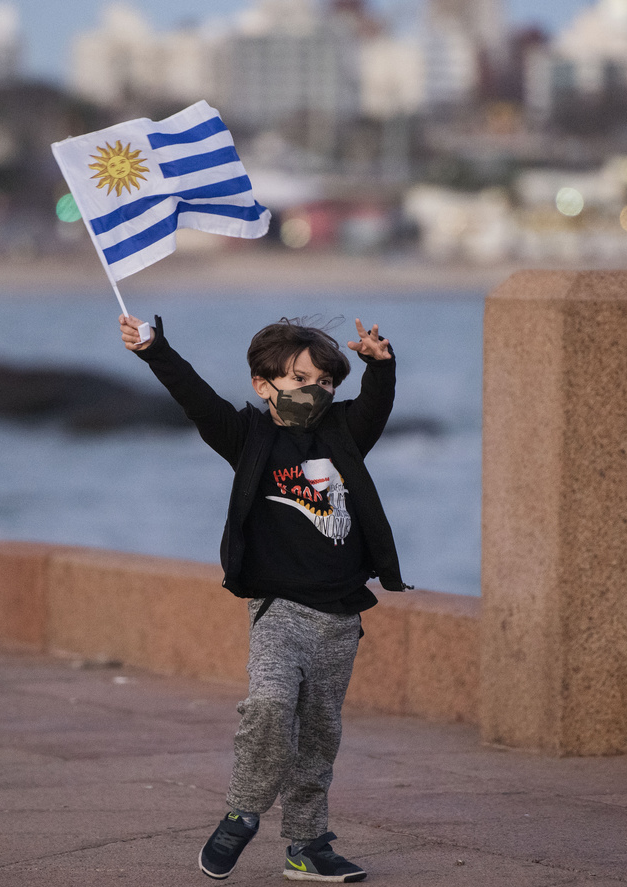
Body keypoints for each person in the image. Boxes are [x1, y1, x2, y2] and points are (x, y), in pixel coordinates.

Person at [119, 312, 408, 883]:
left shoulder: (344, 433)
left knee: (318, 739)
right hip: (278, 611)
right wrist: (156, 350)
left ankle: (306, 846)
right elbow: (196, 400)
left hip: (341, 617)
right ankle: (242, 812)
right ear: (263, 384)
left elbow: (376, 404)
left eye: (326, 382)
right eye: (301, 378)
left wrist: (381, 366)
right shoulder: (248, 437)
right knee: (271, 708)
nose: (315, 390)